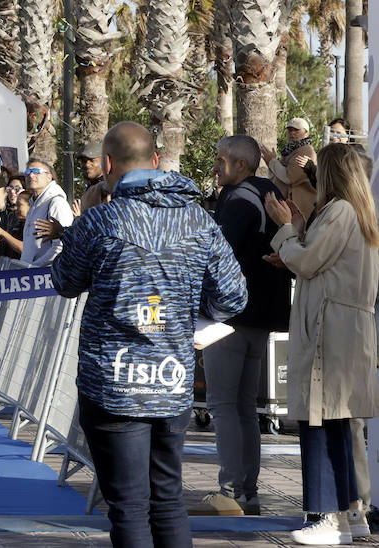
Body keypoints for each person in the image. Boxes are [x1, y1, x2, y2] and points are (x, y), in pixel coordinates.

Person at [52, 121, 247, 548]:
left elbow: (65, 281)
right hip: (171, 377)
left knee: (128, 506)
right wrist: (188, 311)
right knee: (168, 499)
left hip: (113, 383)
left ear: (107, 165)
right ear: (157, 162)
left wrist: (83, 218)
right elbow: (233, 296)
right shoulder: (199, 221)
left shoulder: (99, 220)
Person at [265, 143, 379, 545]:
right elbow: (319, 258)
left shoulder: (340, 211)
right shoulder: (358, 213)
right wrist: (297, 232)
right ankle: (351, 514)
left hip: (329, 329)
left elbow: (310, 261)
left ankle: (329, 516)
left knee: (318, 422)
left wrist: (283, 230)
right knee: (336, 423)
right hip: (347, 327)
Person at [189, 135, 292, 517]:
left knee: (225, 405)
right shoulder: (268, 192)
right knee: (245, 407)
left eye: (221, 160)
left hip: (230, 320)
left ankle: (231, 490)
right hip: (261, 319)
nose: (216, 166)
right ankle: (246, 490)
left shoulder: (236, 199)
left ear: (241, 166)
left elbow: (216, 256)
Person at [22, 158, 74, 265]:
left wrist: (34, 267)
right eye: (28, 172)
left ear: (49, 177)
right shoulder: (33, 205)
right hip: (29, 275)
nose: (31, 175)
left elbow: (61, 246)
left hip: (46, 276)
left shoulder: (57, 203)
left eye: (36, 171)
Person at [266, 117, 319, 220]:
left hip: (300, 209)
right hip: (288, 208)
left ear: (306, 133)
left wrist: (272, 162)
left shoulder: (305, 150)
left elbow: (289, 177)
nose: (292, 133)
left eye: (296, 130)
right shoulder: (289, 150)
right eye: (290, 130)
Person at [78, 141, 109, 213]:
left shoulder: (105, 186)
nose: (87, 165)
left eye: (92, 160)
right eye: (84, 161)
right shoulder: (92, 186)